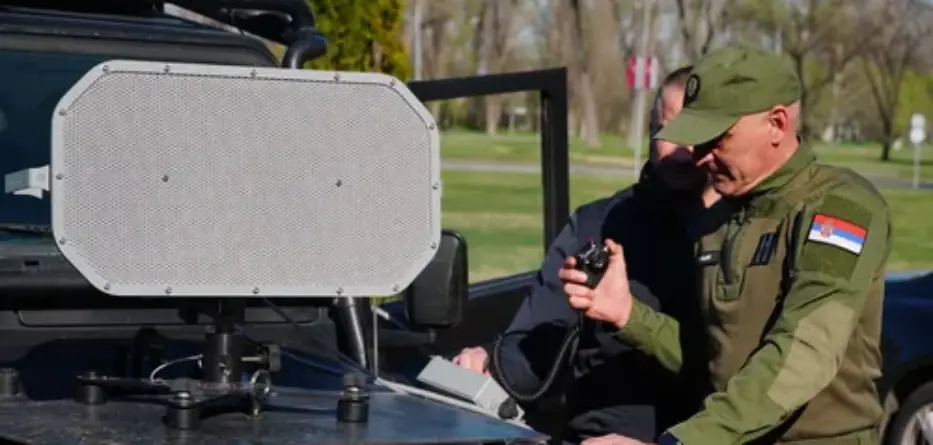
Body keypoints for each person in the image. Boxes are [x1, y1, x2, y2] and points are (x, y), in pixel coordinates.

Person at [560, 46, 892, 445]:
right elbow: (714, 360)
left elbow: (805, 353)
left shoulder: (838, 208)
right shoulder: (720, 219)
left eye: (717, 139)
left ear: (776, 123)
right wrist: (629, 315)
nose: (700, 157)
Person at [451, 65, 716, 444]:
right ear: (650, 131)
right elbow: (541, 339)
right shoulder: (599, 223)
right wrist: (491, 362)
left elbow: (749, 378)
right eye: (667, 130)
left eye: (694, 134)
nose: (679, 150)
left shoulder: (744, 231)